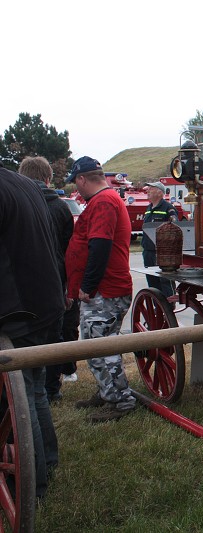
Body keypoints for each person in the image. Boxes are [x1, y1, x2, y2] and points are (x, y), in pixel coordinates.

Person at [0, 166, 65, 500]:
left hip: (18, 313)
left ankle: (31, 486)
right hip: (44, 305)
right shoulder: (25, 183)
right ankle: (46, 467)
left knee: (20, 401)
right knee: (35, 392)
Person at [65, 156, 136, 423]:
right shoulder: (105, 200)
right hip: (107, 288)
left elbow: (100, 246)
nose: (77, 188)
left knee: (99, 348)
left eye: (76, 182)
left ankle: (121, 401)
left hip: (105, 290)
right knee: (103, 345)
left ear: (82, 179)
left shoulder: (104, 201)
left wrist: (88, 286)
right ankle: (107, 392)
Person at [18, 156, 78, 403]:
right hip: (56, 281)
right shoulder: (61, 207)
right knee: (55, 337)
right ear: (47, 179)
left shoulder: (18, 204)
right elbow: (68, 249)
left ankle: (29, 388)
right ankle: (52, 389)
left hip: (24, 286)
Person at [141, 180, 178, 298]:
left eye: (151, 189)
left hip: (162, 253)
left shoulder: (168, 208)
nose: (148, 191)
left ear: (160, 193)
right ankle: (157, 305)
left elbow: (174, 227)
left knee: (165, 281)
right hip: (148, 251)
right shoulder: (148, 208)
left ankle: (168, 306)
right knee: (152, 281)